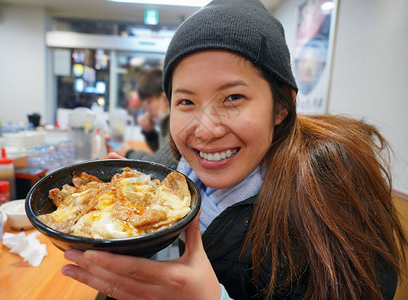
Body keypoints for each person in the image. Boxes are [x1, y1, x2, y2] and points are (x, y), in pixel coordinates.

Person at [61, 0, 407, 299]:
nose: (206, 129)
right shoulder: (177, 173)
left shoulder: (332, 196)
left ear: (281, 106)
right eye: (186, 101)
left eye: (233, 98)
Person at [108, 68, 178, 170]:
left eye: (148, 103)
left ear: (165, 99)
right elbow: (161, 152)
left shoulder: (175, 125)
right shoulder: (165, 123)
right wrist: (149, 133)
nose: (146, 109)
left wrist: (128, 152)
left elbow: (159, 165)